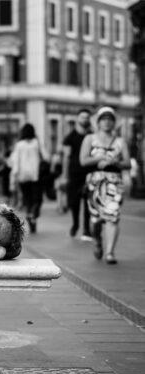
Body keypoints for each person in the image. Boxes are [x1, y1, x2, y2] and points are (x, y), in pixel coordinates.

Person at [80, 106, 131, 265]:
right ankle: (97, 240)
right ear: (98, 122)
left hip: (114, 182)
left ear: (114, 123)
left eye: (110, 120)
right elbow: (83, 161)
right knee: (95, 220)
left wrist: (116, 161)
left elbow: (128, 163)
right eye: (104, 120)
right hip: (95, 182)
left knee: (113, 216)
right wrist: (99, 158)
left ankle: (110, 252)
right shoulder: (90, 139)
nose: (107, 123)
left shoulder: (120, 141)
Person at [61, 108, 93, 241]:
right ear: (77, 119)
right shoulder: (70, 137)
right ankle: (75, 224)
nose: (85, 119)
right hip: (74, 174)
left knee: (88, 203)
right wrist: (64, 175)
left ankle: (86, 229)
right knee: (74, 202)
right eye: (82, 117)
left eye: (87, 117)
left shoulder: (92, 136)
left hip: (89, 173)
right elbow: (66, 157)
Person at [10, 123, 47, 234]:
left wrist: (14, 177)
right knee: (38, 199)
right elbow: (46, 156)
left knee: (28, 199)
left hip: (23, 176)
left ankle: (30, 215)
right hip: (36, 175)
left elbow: (15, 161)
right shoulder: (37, 143)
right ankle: (33, 215)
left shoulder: (19, 145)